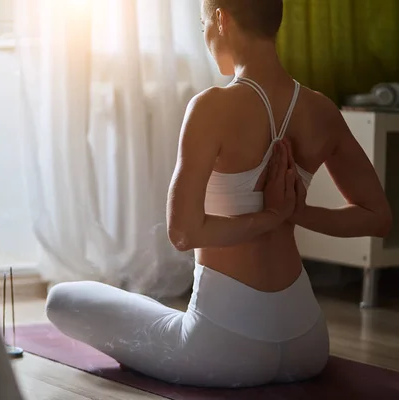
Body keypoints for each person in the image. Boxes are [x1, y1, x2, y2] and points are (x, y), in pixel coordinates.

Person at [45, 0, 393, 388]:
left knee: (62, 299)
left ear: (220, 19)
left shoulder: (210, 107)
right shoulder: (321, 109)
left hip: (223, 349)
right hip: (307, 343)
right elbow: (377, 218)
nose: (206, 36)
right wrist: (297, 212)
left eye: (202, 24)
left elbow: (183, 233)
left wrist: (270, 216)